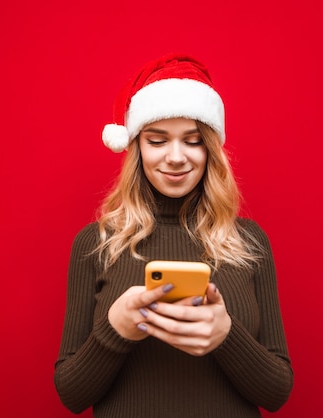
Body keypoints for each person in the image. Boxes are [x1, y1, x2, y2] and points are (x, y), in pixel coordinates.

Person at [54, 54, 293, 417]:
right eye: (157, 140)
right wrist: (115, 329)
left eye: (193, 140)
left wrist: (225, 336)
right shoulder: (96, 244)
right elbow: (71, 395)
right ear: (136, 149)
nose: (176, 157)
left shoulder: (250, 241)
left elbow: (277, 392)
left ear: (211, 150)